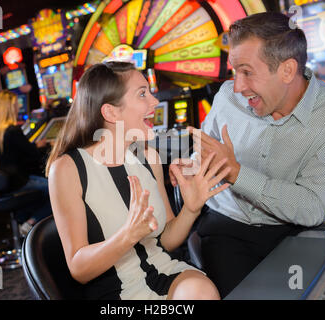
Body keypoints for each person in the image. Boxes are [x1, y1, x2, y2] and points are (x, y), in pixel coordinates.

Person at [170, 12, 325, 298]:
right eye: (234, 71)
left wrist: (236, 173)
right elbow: (206, 161)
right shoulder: (226, 96)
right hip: (226, 229)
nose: (237, 86)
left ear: (287, 70)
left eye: (247, 72)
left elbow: (311, 208)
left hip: (296, 232)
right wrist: (191, 169)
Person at [46, 61, 231, 300]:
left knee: (201, 291)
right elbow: (79, 269)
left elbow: (166, 241)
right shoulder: (67, 169)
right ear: (111, 112)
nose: (155, 101)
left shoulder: (149, 157)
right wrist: (128, 235)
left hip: (165, 270)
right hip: (114, 293)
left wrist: (191, 209)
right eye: (142, 94)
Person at [0, 90, 52, 235]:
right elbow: (32, 155)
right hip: (17, 182)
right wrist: (40, 146)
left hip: (3, 184)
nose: (19, 106)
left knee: (41, 190)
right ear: (10, 107)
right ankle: (32, 221)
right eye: (16, 104)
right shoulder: (12, 130)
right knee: (58, 190)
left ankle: (23, 219)